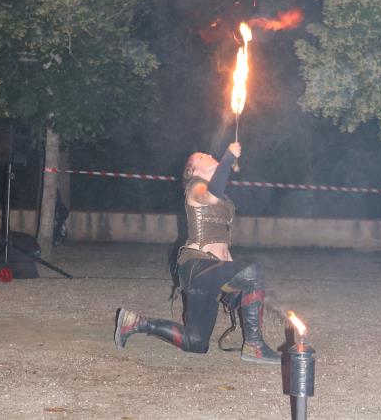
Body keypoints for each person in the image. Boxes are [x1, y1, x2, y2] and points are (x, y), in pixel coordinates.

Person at [114, 142, 280, 364]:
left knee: (196, 343)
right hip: (197, 267)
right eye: (203, 157)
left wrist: (234, 286)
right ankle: (254, 346)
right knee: (253, 270)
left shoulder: (222, 198)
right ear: (194, 170)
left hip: (214, 271)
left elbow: (223, 244)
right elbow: (209, 196)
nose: (210, 155)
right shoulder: (195, 186)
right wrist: (228, 158)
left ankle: (137, 323)